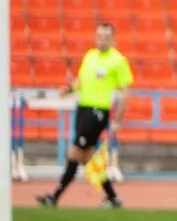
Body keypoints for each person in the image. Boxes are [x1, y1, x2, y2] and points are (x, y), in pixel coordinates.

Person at [38, 22, 132, 209]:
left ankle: (55, 196)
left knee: (74, 152)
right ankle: (113, 197)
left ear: (112, 39)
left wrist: (117, 119)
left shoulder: (117, 60)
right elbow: (81, 81)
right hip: (83, 109)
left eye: (106, 37)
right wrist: (69, 89)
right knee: (88, 156)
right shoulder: (90, 56)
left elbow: (124, 93)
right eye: (99, 36)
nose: (102, 40)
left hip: (97, 113)